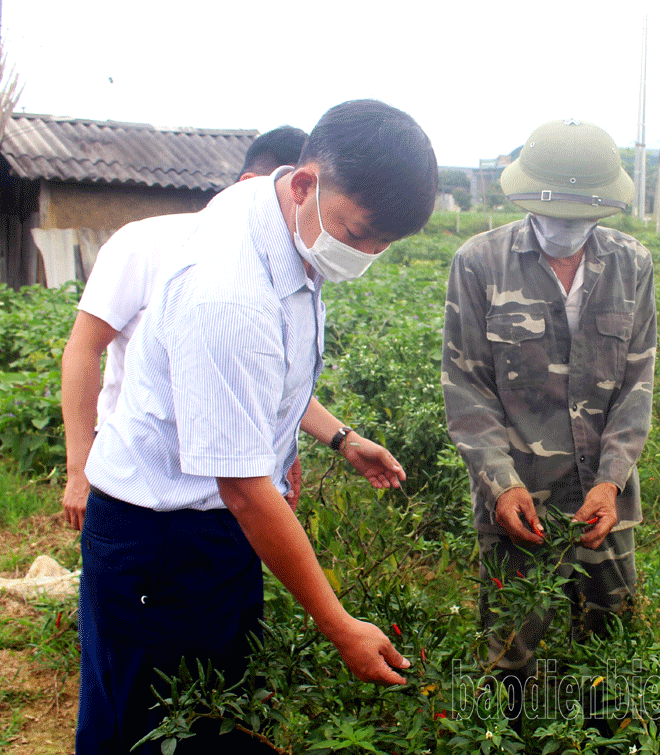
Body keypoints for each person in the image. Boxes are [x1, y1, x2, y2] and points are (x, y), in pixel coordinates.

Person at [75, 100, 438, 754]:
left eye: (382, 246)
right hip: (162, 538)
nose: (365, 256)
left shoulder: (274, 214)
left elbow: (266, 381)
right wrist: (339, 624)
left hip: (213, 528)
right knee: (144, 728)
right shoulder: (227, 293)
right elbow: (243, 488)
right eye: (358, 234)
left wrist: (339, 438)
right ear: (304, 183)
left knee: (213, 713)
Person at [441, 118, 656, 729]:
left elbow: (637, 385)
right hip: (517, 503)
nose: (564, 229)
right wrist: (501, 483)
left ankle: (600, 740)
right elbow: (466, 387)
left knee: (610, 654)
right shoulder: (478, 263)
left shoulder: (632, 265)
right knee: (510, 654)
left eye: (579, 215)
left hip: (603, 503)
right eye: (552, 213)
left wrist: (611, 482)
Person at [61, 125, 307, 531]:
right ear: (250, 184)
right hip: (143, 485)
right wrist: (78, 469)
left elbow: (263, 375)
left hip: (232, 493)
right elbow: (84, 349)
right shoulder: (146, 242)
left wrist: (290, 449)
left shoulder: (278, 266)